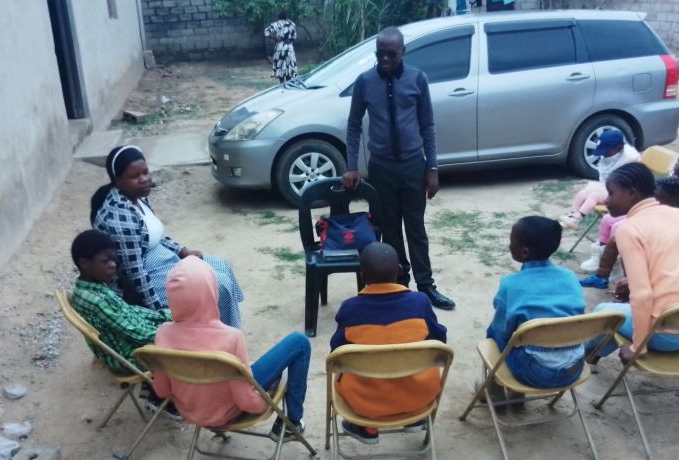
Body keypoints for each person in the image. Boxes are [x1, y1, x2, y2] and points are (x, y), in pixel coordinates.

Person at [341, 26, 455, 310]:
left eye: (391, 54)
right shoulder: (365, 82)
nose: (385, 60)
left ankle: (426, 286)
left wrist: (432, 168)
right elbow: (354, 126)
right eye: (380, 54)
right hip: (381, 168)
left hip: (413, 166)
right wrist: (351, 166)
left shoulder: (417, 79)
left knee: (416, 228)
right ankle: (399, 285)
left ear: (402, 52)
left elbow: (427, 125)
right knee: (389, 229)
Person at [151, 257, 311, 439]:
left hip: (192, 411)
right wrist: (266, 401)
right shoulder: (230, 337)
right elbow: (247, 402)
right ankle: (292, 422)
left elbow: (162, 390)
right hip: (228, 412)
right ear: (211, 291)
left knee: (239, 369)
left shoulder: (163, 333)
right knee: (299, 342)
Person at [91, 145, 244, 327]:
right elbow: (135, 274)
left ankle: (223, 327)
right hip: (151, 275)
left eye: (145, 172)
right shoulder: (120, 219)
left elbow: (154, 234)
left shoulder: (137, 197)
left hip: (165, 259)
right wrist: (159, 313)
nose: (144, 179)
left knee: (221, 265)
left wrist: (182, 251)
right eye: (135, 176)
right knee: (219, 285)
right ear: (118, 181)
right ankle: (222, 336)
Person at [585, 163, 679, 365]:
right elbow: (669, 271)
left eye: (611, 193)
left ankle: (582, 358)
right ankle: (592, 356)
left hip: (667, 335)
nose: (606, 200)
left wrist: (638, 347)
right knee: (625, 311)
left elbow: (641, 295)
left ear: (631, 193)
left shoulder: (630, 229)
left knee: (604, 311)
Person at [330, 243, 448, 445]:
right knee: (419, 363)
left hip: (365, 401)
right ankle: (415, 418)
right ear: (400, 271)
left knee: (345, 369)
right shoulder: (420, 302)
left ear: (362, 275)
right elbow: (440, 341)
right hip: (419, 395)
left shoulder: (350, 309)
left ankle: (366, 426)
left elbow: (336, 355)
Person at [486, 216, 586, 392]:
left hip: (535, 372)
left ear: (524, 252)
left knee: (493, 331)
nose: (509, 245)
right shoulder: (570, 277)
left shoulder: (510, 284)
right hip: (575, 366)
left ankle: (496, 391)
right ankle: (513, 394)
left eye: (512, 241)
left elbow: (504, 331)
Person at [70, 230, 171, 376]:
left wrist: (164, 316)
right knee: (191, 344)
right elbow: (136, 333)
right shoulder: (97, 301)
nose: (113, 265)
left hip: (130, 342)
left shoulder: (89, 289)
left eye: (113, 259)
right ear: (84, 263)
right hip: (131, 358)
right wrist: (173, 332)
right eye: (105, 261)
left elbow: (129, 311)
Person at [559, 129, 639, 230]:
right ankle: (572, 215)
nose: (603, 154)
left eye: (606, 151)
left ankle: (577, 219)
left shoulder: (630, 161)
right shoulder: (613, 155)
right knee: (585, 191)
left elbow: (626, 186)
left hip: (623, 193)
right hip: (612, 185)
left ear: (619, 148)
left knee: (594, 196)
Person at [265, 12, 297, 83]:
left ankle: (282, 84)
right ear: (286, 17)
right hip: (289, 47)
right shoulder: (292, 24)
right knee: (289, 66)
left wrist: (274, 38)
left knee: (280, 66)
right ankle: (288, 83)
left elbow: (266, 32)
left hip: (280, 46)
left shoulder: (276, 24)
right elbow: (294, 37)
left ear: (278, 17)